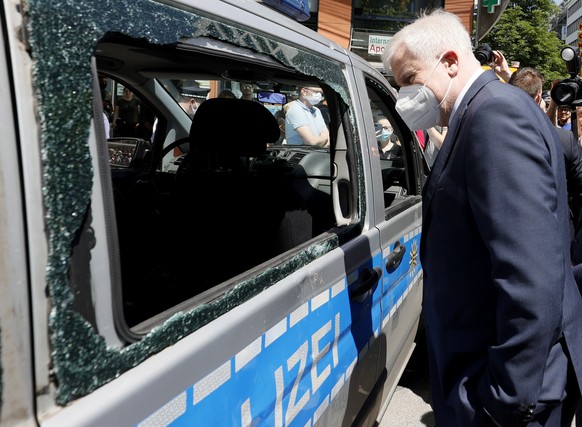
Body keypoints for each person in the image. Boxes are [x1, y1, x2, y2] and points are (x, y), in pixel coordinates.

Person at [382, 9, 582, 426]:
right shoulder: (486, 109)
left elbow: (530, 279)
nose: (404, 96)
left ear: (450, 62)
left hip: (507, 396)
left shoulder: (493, 116)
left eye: (409, 80)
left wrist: (502, 402)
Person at [508, 67, 582, 265]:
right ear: (538, 97)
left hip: (506, 244)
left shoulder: (486, 135)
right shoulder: (564, 141)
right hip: (558, 242)